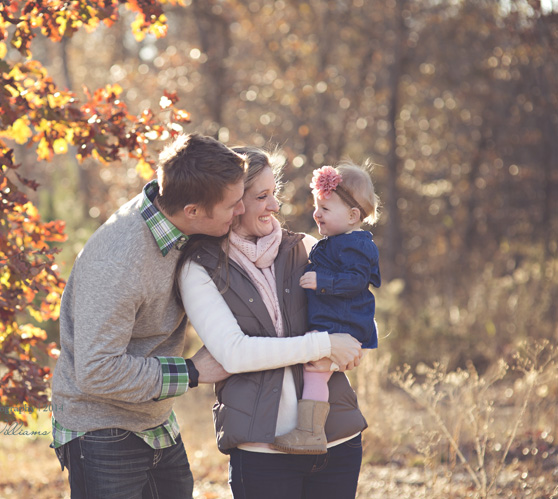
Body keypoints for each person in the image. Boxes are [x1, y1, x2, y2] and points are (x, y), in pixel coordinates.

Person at [50, 133, 247, 499]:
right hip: (100, 427)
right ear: (192, 210)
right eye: (234, 204)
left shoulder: (181, 224)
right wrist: (192, 371)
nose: (241, 211)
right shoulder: (120, 260)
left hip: (154, 419)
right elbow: (96, 370)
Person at [177, 147, 367, 498]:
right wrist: (325, 345)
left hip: (337, 439)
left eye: (274, 194)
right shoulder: (200, 270)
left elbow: (350, 314)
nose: (276, 206)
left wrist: (352, 345)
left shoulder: (308, 248)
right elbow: (234, 354)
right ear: (233, 202)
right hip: (263, 451)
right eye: (262, 196)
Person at [272, 161, 381, 455]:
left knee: (316, 369)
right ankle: (311, 429)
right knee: (315, 369)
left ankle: (310, 432)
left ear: (352, 215)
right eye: (316, 206)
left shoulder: (356, 245)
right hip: (334, 320)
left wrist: (323, 282)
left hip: (343, 323)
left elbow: (357, 281)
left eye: (325, 208)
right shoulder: (336, 240)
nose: (316, 213)